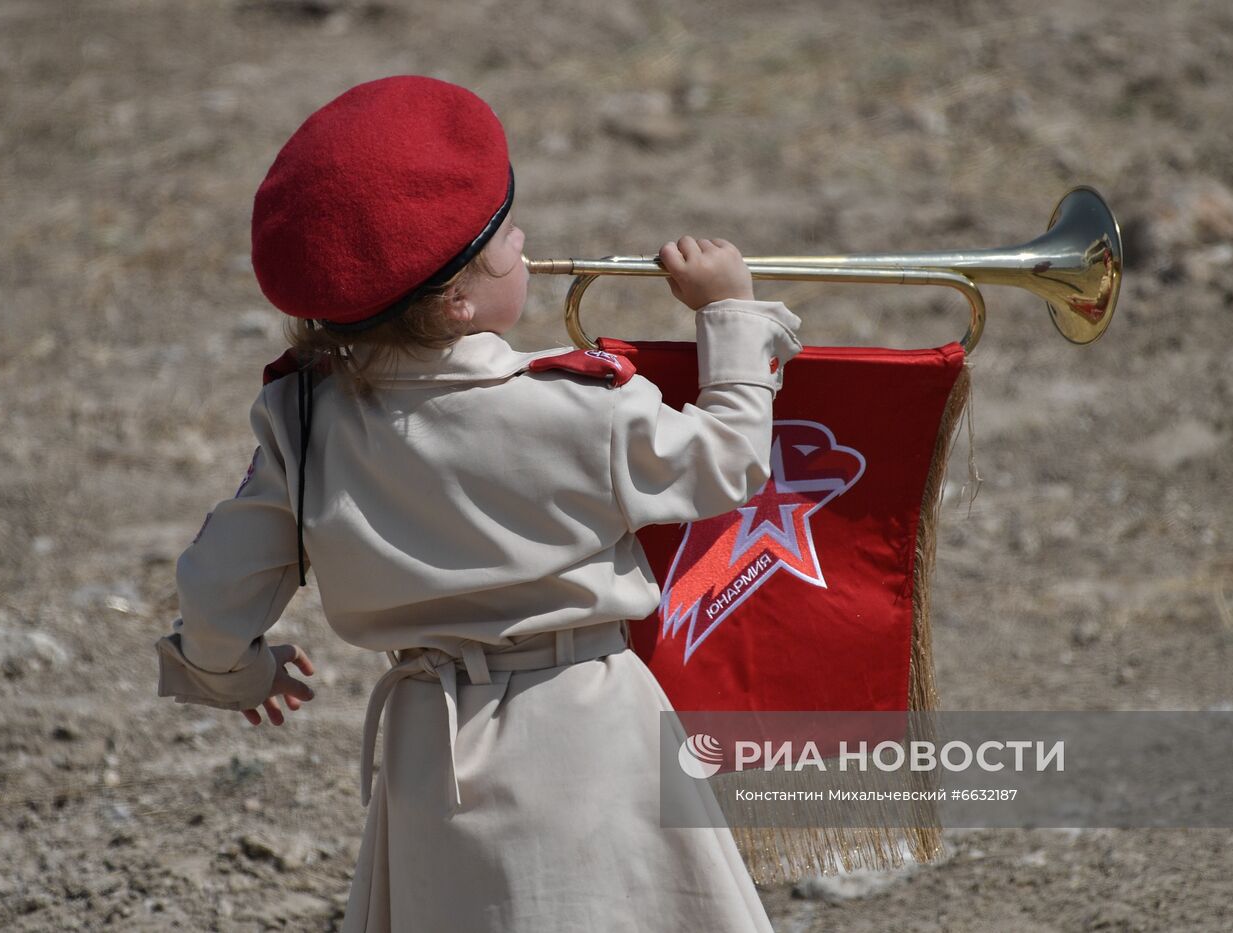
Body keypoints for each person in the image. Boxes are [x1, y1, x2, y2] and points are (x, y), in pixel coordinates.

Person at [153, 74, 803, 932]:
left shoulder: (301, 419)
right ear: (459, 300)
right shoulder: (577, 404)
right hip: (591, 727)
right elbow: (725, 464)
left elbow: (215, 583)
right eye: (505, 240)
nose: (525, 241)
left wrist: (233, 672)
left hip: (431, 756)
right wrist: (730, 315)